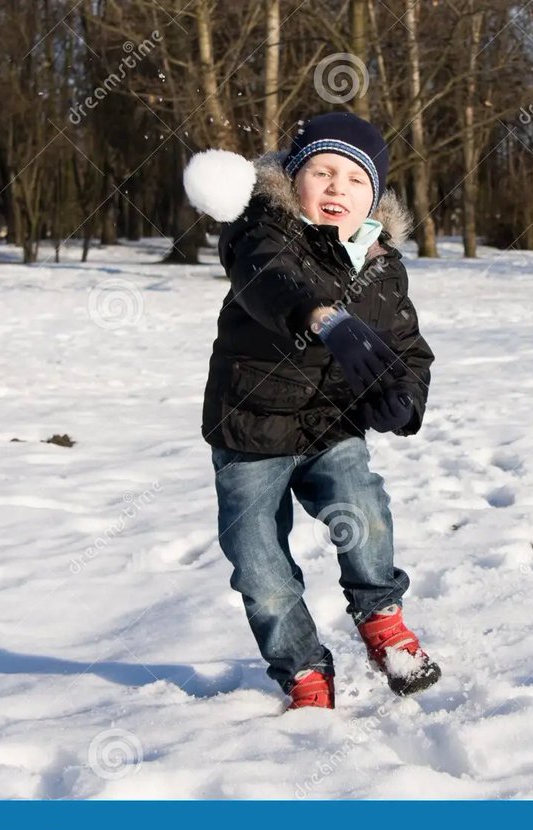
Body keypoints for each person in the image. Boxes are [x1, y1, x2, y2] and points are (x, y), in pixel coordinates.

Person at [184, 112, 439, 711]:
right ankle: (301, 668)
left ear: (373, 196)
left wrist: (406, 399)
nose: (336, 189)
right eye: (322, 172)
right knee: (258, 567)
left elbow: (408, 348)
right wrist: (321, 317)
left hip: (331, 424)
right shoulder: (263, 234)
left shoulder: (381, 265)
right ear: (292, 180)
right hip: (250, 428)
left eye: (354, 181)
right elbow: (269, 281)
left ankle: (381, 616)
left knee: (365, 511)